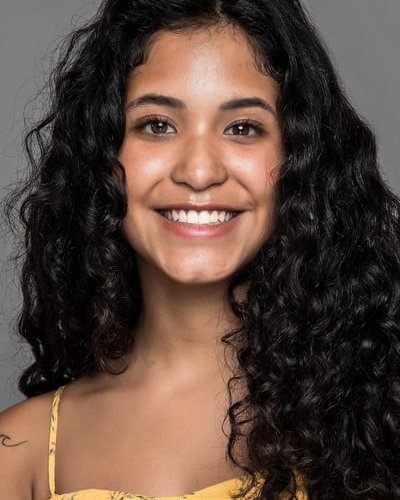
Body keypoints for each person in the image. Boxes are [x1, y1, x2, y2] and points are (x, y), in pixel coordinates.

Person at [1, 0, 399, 498]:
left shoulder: (379, 422)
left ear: (300, 160)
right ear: (101, 156)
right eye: (157, 125)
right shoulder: (18, 453)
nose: (199, 171)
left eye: (242, 128)